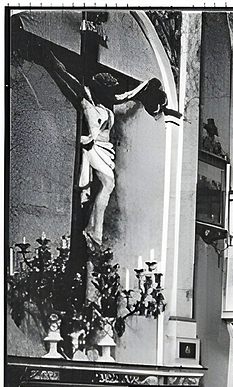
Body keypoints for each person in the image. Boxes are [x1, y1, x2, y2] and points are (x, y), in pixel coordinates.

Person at [42, 49, 176, 247]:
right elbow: (66, 77)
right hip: (94, 147)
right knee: (106, 185)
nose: (111, 93)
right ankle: (95, 231)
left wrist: (145, 86)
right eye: (107, 89)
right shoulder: (87, 102)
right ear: (99, 88)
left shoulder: (107, 106)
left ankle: (94, 229)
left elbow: (126, 96)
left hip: (105, 148)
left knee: (107, 186)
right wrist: (51, 61)